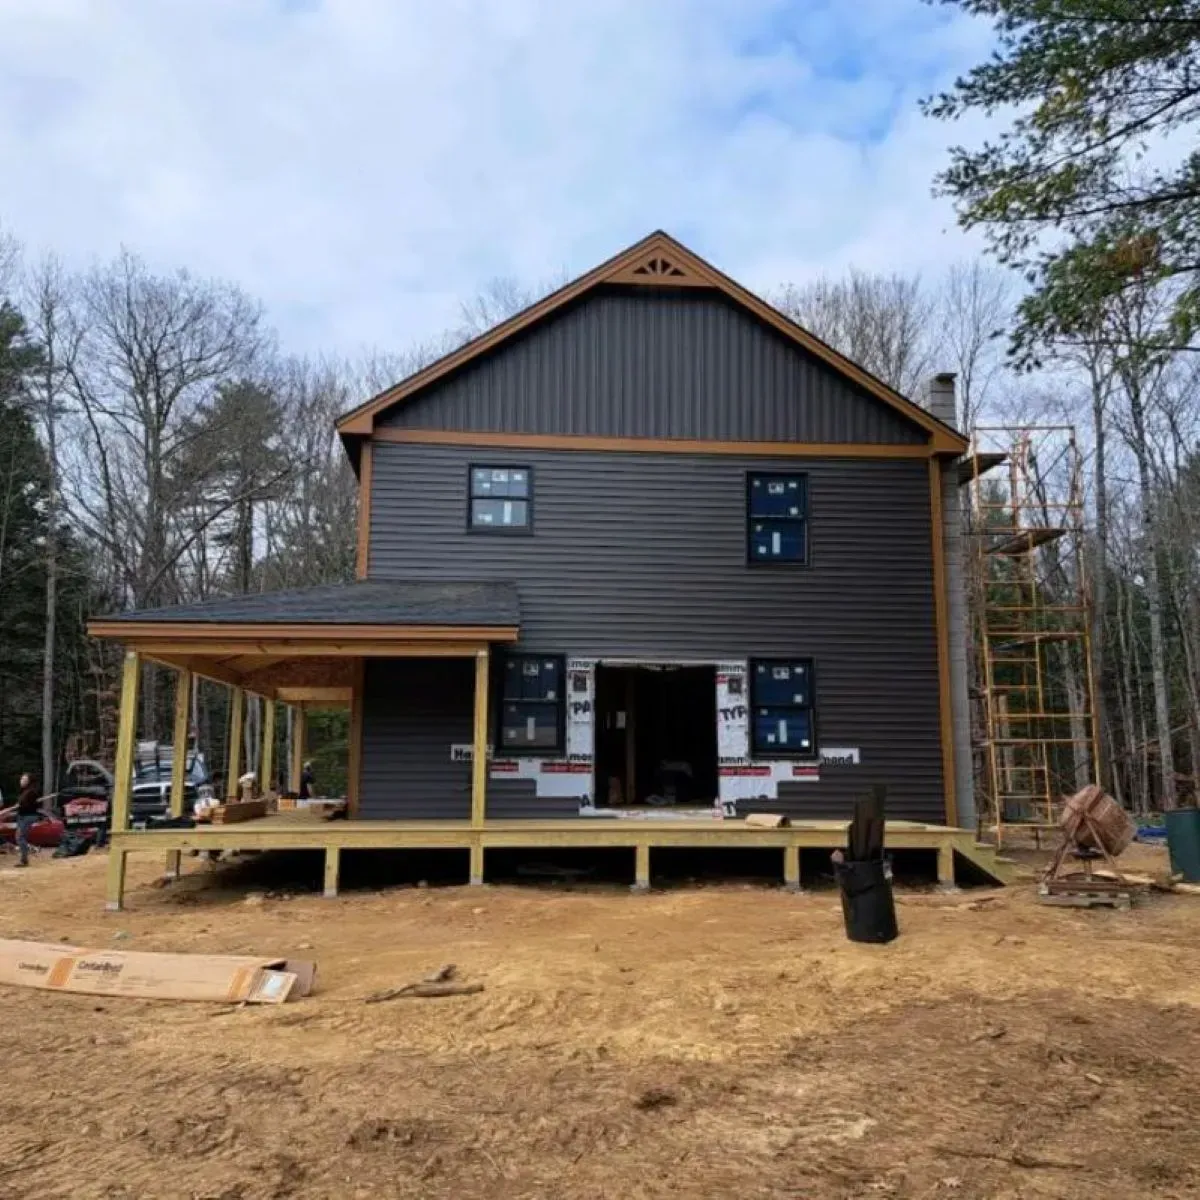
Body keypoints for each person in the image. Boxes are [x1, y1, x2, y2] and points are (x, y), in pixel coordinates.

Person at [14, 774, 41, 868]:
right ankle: (28, 853)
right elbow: (21, 803)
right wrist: (18, 805)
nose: (21, 780)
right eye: (21, 778)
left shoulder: (32, 792)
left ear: (29, 781)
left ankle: (25, 859)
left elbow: (32, 805)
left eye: (24, 779)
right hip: (22, 816)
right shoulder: (24, 791)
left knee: (20, 837)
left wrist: (21, 805)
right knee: (19, 837)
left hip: (28, 816)